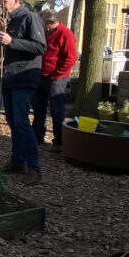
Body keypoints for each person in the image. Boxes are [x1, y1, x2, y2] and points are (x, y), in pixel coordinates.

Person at [0, 0, 46, 185]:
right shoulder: (10, 21)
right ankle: (17, 161)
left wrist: (12, 41)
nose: (2, 5)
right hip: (9, 78)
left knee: (22, 122)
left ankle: (34, 168)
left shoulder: (30, 18)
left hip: (24, 77)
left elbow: (40, 47)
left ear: (16, 1)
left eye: (5, 1)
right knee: (12, 121)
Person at [32, 9, 77, 153]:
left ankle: (59, 141)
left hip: (57, 78)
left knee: (57, 110)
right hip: (42, 75)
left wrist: (57, 74)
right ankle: (37, 137)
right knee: (39, 108)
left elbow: (70, 58)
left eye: (43, 23)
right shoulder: (44, 34)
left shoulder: (65, 34)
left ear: (51, 23)